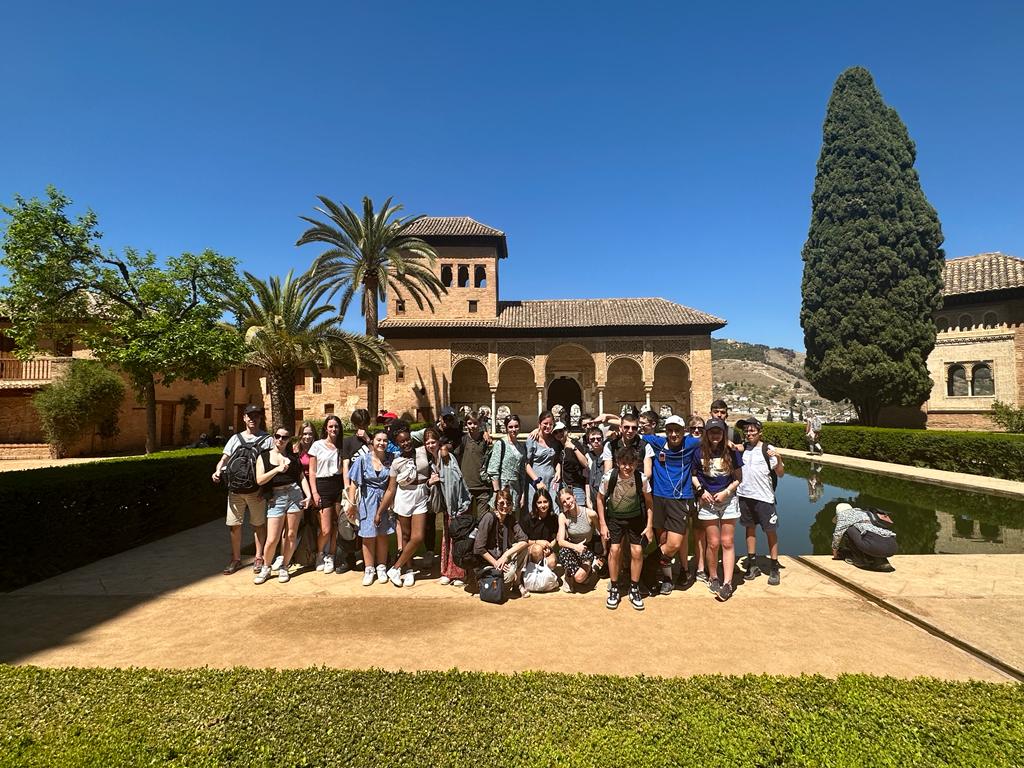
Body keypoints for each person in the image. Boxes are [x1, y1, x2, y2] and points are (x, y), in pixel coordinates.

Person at [639, 414, 701, 595]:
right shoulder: (658, 442)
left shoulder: (690, 443)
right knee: (663, 540)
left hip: (680, 498)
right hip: (659, 498)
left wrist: (734, 445)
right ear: (665, 431)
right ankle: (666, 578)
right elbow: (632, 431)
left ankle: (647, 565)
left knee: (674, 543)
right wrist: (608, 419)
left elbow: (715, 439)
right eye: (670, 430)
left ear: (684, 431)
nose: (674, 434)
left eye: (677, 430)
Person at [211, 404, 272, 576]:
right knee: (234, 525)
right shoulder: (235, 439)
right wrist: (217, 471)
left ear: (260, 418)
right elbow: (224, 459)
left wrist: (266, 490)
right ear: (244, 418)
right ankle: (236, 559)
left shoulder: (267, 440)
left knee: (258, 525)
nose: (253, 419)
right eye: (250, 416)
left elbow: (270, 464)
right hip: (235, 491)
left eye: (256, 416)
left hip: (256, 491)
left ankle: (258, 557)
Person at [692, 417, 744, 602]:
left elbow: (738, 478)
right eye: (712, 432)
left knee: (727, 541)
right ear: (707, 434)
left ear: (723, 433)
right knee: (713, 543)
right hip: (708, 501)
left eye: (719, 432)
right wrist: (701, 491)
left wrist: (726, 492)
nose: (715, 435)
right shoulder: (699, 452)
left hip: (727, 499)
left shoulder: (731, 452)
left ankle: (728, 582)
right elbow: (694, 475)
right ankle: (713, 576)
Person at [597, 446, 654, 611]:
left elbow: (649, 502)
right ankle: (614, 587)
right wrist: (602, 524)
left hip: (635, 518)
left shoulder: (641, 479)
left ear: (636, 463)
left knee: (637, 551)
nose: (627, 467)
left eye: (631, 463)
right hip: (615, 518)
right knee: (615, 550)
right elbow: (600, 499)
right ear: (617, 463)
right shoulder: (609, 477)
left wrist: (649, 525)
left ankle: (634, 588)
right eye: (623, 463)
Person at [253, 426, 311, 584]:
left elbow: (301, 477)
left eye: (284, 437)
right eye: (278, 436)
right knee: (272, 538)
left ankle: (284, 566)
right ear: (273, 437)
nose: (280, 440)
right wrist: (277, 469)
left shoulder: (292, 457)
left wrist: (308, 495)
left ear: (288, 440)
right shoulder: (264, 456)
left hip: (294, 495)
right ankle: (266, 567)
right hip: (276, 498)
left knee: (291, 534)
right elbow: (260, 480)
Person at [378, 425, 435, 587]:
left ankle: (395, 568)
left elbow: (435, 436)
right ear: (397, 444)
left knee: (418, 537)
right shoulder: (396, 462)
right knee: (405, 535)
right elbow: (391, 489)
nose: (406, 443)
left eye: (408, 439)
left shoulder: (423, 451)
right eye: (401, 442)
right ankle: (408, 570)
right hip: (404, 497)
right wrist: (380, 512)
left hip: (421, 495)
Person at [736, 417, 785, 586]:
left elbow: (780, 473)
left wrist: (779, 459)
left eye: (752, 430)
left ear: (760, 432)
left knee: (770, 531)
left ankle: (774, 566)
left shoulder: (767, 449)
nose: (749, 433)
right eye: (746, 430)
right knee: (749, 529)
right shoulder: (743, 449)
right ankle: (752, 564)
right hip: (745, 495)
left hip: (764, 497)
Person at [348, 429, 395, 586]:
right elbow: (354, 483)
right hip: (367, 501)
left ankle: (381, 566)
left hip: (385, 500)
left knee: (383, 535)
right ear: (372, 442)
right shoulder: (362, 460)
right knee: (368, 535)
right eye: (378, 440)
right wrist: (352, 503)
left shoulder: (392, 459)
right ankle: (369, 568)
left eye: (385, 440)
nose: (382, 443)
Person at [473, 488, 529, 596]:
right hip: (487, 562)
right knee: (509, 576)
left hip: (502, 558)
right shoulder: (489, 518)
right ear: (496, 504)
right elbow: (479, 548)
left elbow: (524, 540)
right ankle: (485, 582)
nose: (505, 506)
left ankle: (516, 584)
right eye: (501, 503)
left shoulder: (510, 519)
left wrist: (505, 555)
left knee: (523, 548)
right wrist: (496, 563)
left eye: (508, 503)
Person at [308, 414, 345, 575]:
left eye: (336, 426)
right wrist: (314, 492)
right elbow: (312, 471)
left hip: (338, 485)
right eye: (331, 426)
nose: (333, 429)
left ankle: (331, 555)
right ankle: (320, 553)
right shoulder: (317, 445)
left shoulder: (342, 446)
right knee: (325, 529)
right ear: (326, 428)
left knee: (336, 525)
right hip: (322, 486)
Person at [434, 435, 471, 586]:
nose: (431, 445)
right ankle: (447, 572)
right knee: (447, 538)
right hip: (446, 508)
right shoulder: (432, 458)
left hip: (456, 507)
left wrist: (455, 507)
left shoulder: (448, 459)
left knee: (457, 539)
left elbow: (455, 483)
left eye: (434, 442)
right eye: (428, 442)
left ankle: (458, 573)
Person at [556, 487, 604, 592]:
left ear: (574, 497)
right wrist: (575, 547)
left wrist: (604, 550)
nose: (567, 503)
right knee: (563, 552)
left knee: (579, 578)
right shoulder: (563, 517)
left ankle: (592, 568)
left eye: (568, 498)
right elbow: (560, 541)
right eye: (564, 502)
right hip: (572, 548)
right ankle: (568, 575)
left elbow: (601, 532)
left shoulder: (590, 514)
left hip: (587, 548)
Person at [832, 502, 897, 571]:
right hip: (893, 547)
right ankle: (882, 562)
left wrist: (835, 551)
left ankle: (859, 560)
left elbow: (837, 534)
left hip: (875, 547)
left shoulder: (843, 516)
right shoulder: (864, 513)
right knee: (868, 535)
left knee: (848, 529)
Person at [486, 413, 526, 511]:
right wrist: (497, 492)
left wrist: (523, 494)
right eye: (510, 427)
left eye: (516, 426)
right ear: (506, 428)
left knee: (512, 517)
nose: (513, 429)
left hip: (515, 489)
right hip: (502, 487)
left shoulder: (521, 447)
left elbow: (522, 473)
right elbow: (493, 469)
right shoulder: (501, 444)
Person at [525, 411, 562, 509]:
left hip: (552, 481)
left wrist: (558, 471)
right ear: (539, 424)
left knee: (553, 508)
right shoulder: (532, 439)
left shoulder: (554, 440)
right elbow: (526, 464)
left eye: (551, 424)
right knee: (537, 508)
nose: (548, 426)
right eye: (545, 423)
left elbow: (556, 459)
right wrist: (537, 481)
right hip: (536, 481)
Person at [459, 410, 492, 519]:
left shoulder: (485, 441)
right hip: (466, 487)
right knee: (466, 520)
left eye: (475, 423)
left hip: (483, 487)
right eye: (469, 423)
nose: (472, 426)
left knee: (483, 520)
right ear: (466, 424)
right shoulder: (462, 440)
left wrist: (485, 432)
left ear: (480, 424)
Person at [519, 488, 558, 570]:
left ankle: (543, 575)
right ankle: (532, 572)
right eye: (539, 502)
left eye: (545, 502)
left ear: (549, 502)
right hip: (530, 548)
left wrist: (550, 546)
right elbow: (522, 541)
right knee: (538, 550)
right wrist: (537, 542)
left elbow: (555, 537)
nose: (543, 505)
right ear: (535, 504)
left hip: (546, 548)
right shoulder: (528, 519)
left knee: (552, 562)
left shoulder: (553, 518)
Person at [557, 424, 593, 510]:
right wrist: (558, 470)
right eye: (555, 432)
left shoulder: (576, 444)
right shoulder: (559, 447)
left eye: (561, 431)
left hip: (577, 488)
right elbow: (559, 462)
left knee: (580, 514)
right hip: (564, 489)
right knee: (568, 516)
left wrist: (574, 448)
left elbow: (585, 464)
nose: (558, 434)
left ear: (566, 431)